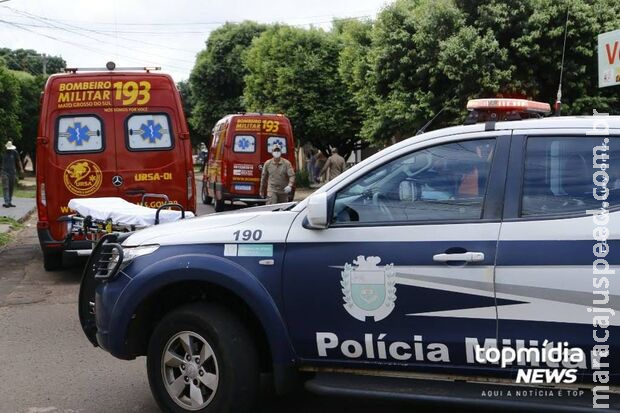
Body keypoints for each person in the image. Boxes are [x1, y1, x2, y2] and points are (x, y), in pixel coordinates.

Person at [2, 140, 24, 208]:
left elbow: (18, 161)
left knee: (11, 187)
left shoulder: (15, 152)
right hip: (4, 172)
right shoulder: (4, 153)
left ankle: (9, 201)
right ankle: (6, 202)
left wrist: (21, 169)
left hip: (12, 172)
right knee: (6, 187)